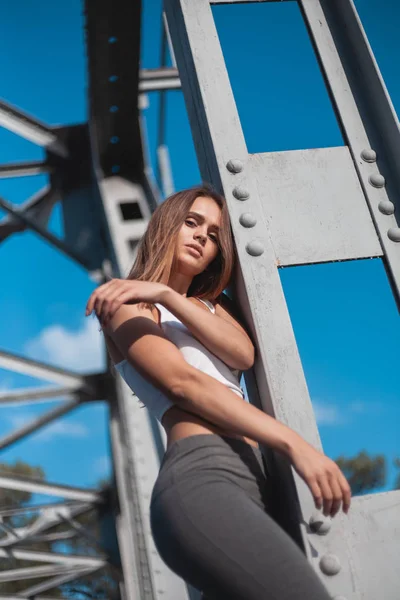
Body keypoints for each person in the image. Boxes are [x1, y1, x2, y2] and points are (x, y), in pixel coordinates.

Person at [85, 184, 351, 600]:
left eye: (212, 235)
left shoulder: (211, 306)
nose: (200, 237)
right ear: (165, 227)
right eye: (190, 223)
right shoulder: (129, 306)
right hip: (203, 477)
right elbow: (182, 383)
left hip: (255, 482)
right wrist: (294, 444)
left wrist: (168, 294)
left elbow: (242, 354)